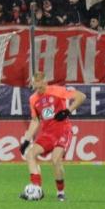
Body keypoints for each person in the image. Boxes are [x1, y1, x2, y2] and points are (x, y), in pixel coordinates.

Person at [19, 72, 87, 201]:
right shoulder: (33, 99)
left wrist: (67, 111)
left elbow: (81, 96)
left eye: (39, 84)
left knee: (55, 160)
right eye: (35, 84)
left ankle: (60, 192)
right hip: (47, 133)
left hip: (63, 130)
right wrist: (27, 140)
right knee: (30, 154)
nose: (37, 87)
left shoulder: (57, 91)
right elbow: (35, 121)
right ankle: (36, 189)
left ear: (45, 82)